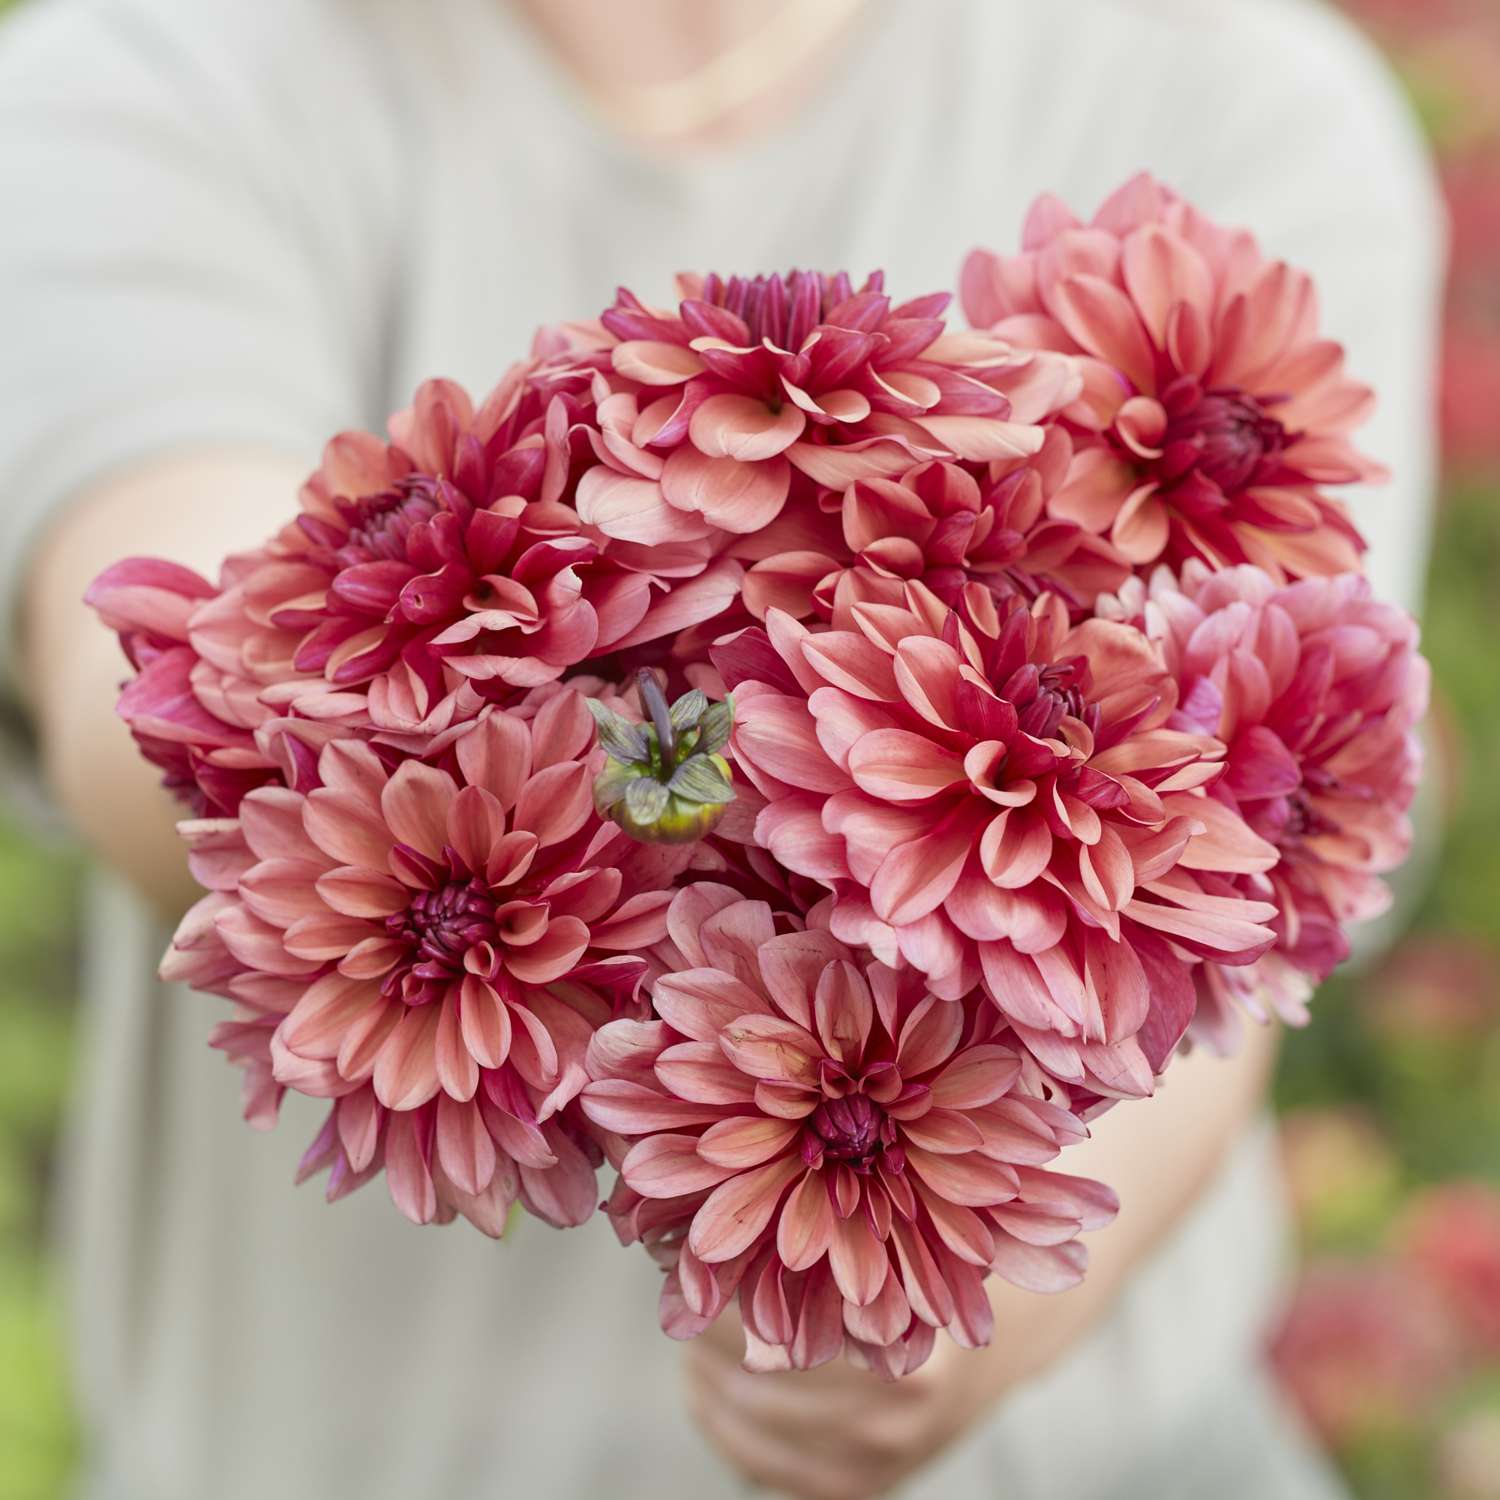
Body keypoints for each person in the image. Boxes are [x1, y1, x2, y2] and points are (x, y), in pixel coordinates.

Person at [0, 0, 1443, 1496]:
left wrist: (997, 1254)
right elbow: (166, 692)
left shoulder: (1230, 81)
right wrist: (644, 799)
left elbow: (1258, 851)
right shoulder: (153, 65)